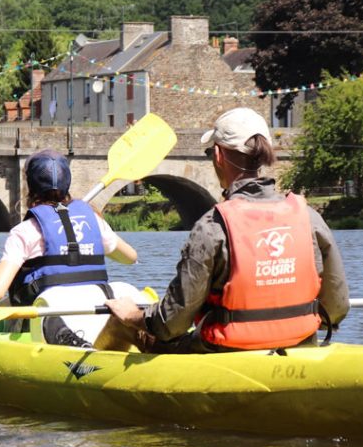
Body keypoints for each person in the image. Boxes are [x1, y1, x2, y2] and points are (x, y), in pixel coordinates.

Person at [101, 107, 349, 354]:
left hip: (224, 354)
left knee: (121, 322)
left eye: (210, 152)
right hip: (299, 344)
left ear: (218, 155)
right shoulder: (309, 218)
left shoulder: (212, 227)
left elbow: (172, 323)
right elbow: (337, 307)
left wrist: (135, 316)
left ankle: (88, 379)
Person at [0, 149, 138, 346]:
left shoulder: (25, 231)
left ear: (29, 188)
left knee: (4, 304)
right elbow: (130, 257)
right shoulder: (92, 220)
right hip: (94, 311)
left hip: (48, 316)